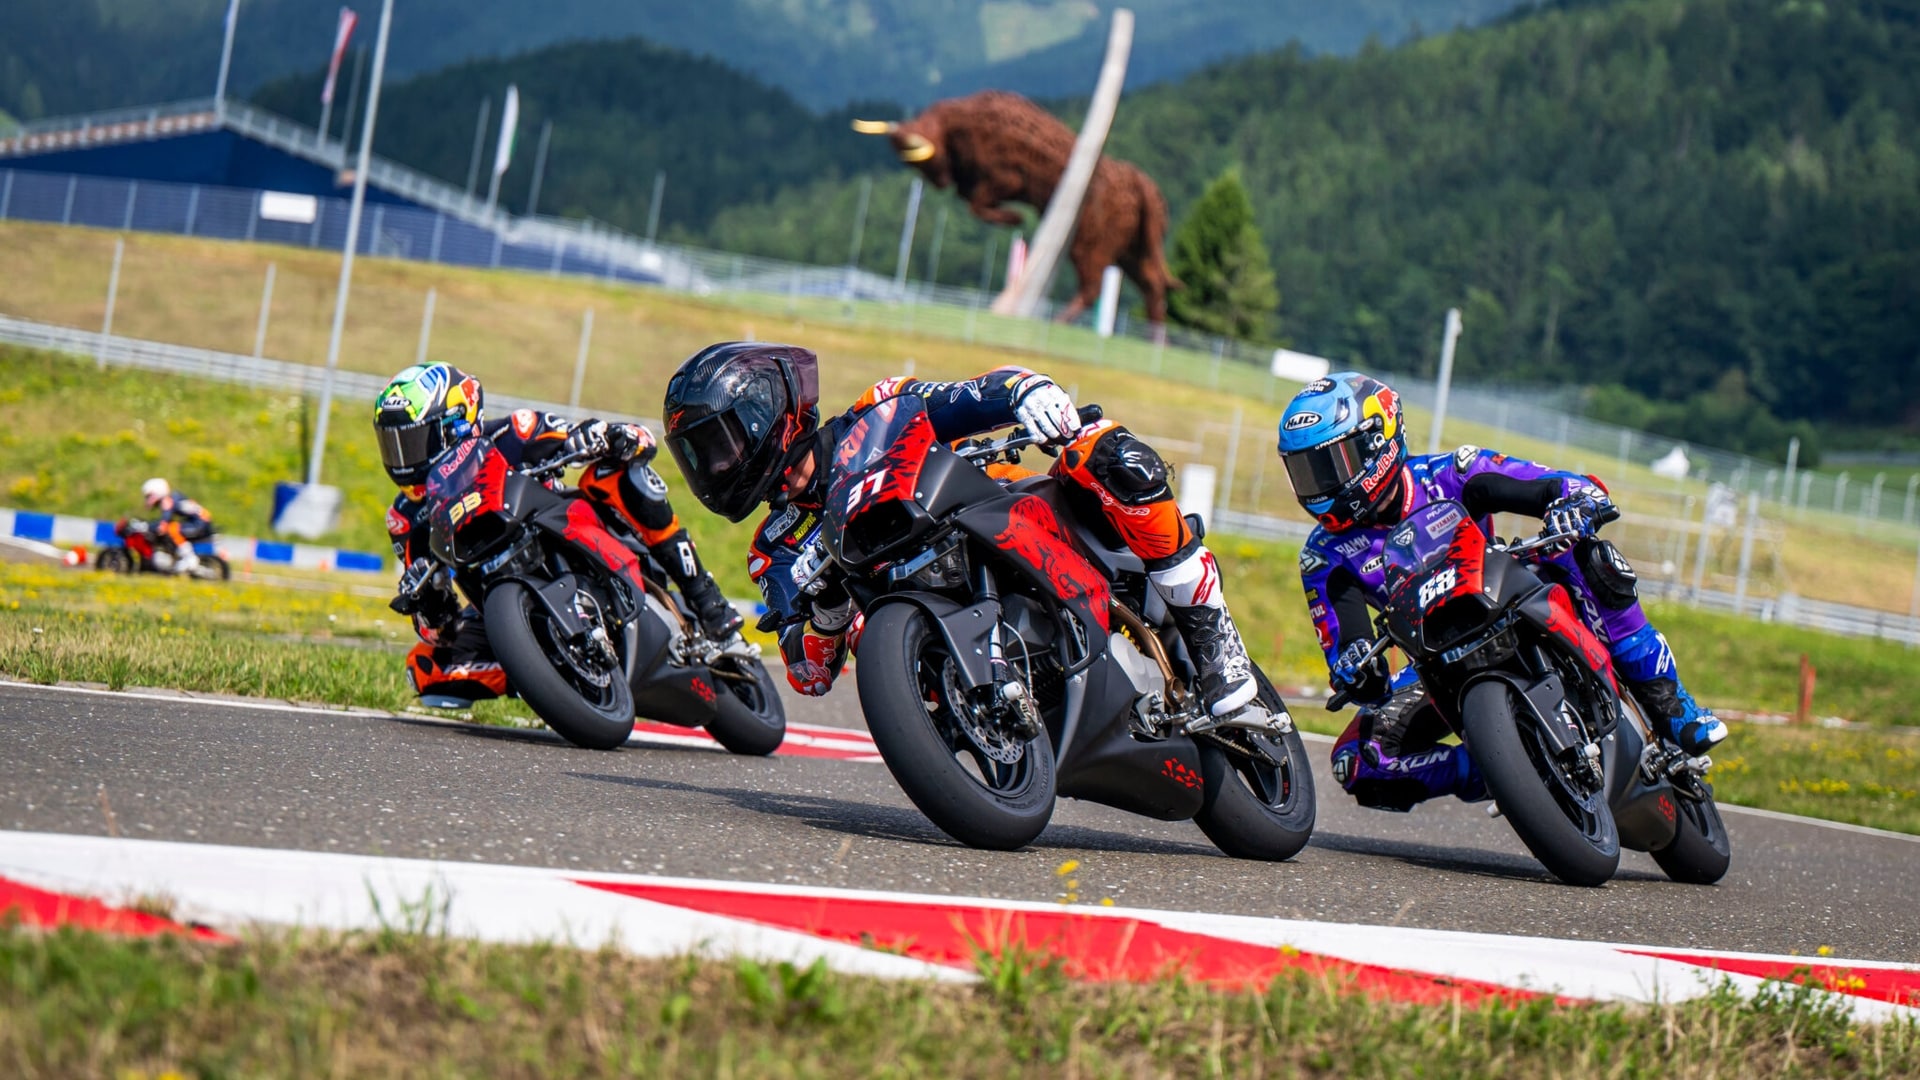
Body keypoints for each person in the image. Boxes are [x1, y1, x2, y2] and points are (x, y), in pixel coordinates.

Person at [660, 342, 1261, 724]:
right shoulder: (774, 550)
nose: (714, 467)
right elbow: (808, 675)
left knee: (1106, 453)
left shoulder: (878, 412)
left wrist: (1025, 391)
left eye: (719, 445)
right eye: (699, 458)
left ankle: (1213, 637)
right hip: (943, 662)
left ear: (766, 415)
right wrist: (827, 613)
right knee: (869, 632)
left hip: (1022, 518)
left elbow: (965, 397)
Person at [1277, 371, 1728, 812]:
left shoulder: (1452, 472)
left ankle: (1671, 704)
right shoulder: (1323, 556)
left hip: (1506, 597)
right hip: (1435, 661)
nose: (1318, 485)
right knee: (1356, 762)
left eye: (1330, 464)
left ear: (1378, 443)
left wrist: (1575, 502)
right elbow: (1347, 647)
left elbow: (1556, 484)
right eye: (1305, 472)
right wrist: (1356, 669)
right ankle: (1500, 769)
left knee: (1585, 555)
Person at [373, 362, 741, 707]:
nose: (402, 459)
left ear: (456, 423)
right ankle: (544, 674)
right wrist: (429, 604)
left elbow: (606, 438)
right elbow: (439, 632)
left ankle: (706, 599)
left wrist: (604, 436)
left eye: (413, 442)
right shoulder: (405, 518)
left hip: (570, 528)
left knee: (613, 476)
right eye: (393, 445)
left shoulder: (512, 432)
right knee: (424, 668)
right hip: (498, 603)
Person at [140, 478, 214, 575]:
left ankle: (189, 558)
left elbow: (164, 523)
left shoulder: (167, 501)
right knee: (173, 526)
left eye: (149, 495)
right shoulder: (174, 497)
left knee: (172, 529)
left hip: (200, 523)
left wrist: (148, 527)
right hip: (202, 521)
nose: (148, 499)